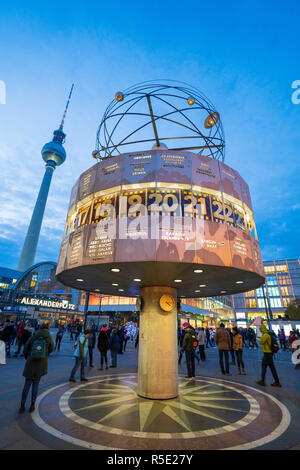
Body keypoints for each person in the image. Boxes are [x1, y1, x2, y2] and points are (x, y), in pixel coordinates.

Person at [19, 323, 54, 413]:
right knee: (36, 385)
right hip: (41, 363)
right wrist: (45, 354)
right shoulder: (48, 337)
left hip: (31, 362)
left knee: (27, 384)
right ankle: (32, 405)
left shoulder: (34, 336)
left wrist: (28, 357)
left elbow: (26, 348)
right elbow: (52, 349)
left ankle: (22, 405)